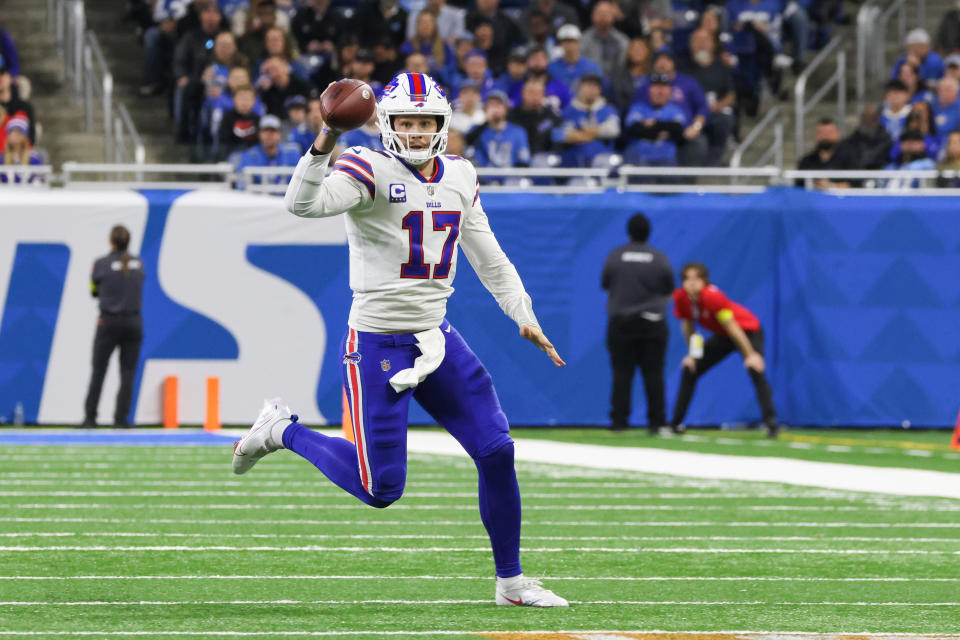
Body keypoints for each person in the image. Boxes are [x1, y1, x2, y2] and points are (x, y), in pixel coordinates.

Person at [234, 71, 569, 608]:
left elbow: (490, 257)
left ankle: (511, 582)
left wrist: (522, 313)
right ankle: (281, 431)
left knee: (497, 449)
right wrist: (325, 137)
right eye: (406, 122)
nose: (415, 133)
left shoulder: (460, 174)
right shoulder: (366, 165)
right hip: (379, 344)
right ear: (386, 123)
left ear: (442, 125)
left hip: (437, 337)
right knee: (381, 489)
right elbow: (302, 204)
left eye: (425, 122)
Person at [670, 262, 779, 437]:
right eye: (686, 279)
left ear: (705, 281)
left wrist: (750, 354)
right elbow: (689, 327)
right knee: (690, 368)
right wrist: (693, 355)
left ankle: (771, 423)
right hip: (723, 335)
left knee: (755, 368)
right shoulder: (681, 298)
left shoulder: (713, 296)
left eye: (696, 278)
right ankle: (675, 424)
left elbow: (731, 325)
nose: (691, 283)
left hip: (747, 331)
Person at [602, 213, 674, 434]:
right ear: (648, 232)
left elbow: (606, 283)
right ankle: (657, 422)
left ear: (629, 232)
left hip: (621, 323)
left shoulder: (615, 256)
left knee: (622, 373)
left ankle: (619, 422)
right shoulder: (659, 258)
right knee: (654, 373)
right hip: (652, 323)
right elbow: (669, 286)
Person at [82, 226, 145, 428]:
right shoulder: (139, 264)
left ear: (112, 241)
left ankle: (90, 418)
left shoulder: (101, 264)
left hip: (108, 321)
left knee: (99, 370)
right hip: (133, 322)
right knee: (127, 372)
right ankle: (121, 419)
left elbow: (94, 290)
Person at [468, 90, 530, 169]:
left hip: (511, 178)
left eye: (498, 105)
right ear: (485, 109)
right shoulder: (478, 130)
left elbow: (523, 161)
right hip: (484, 178)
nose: (495, 109)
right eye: (491, 105)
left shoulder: (518, 132)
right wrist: (487, 121)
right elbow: (467, 143)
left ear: (506, 109)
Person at [233, 114, 301, 187]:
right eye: (265, 131)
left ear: (279, 134)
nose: (269, 135)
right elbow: (242, 187)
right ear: (259, 134)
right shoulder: (248, 156)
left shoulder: (292, 154)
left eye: (273, 131)